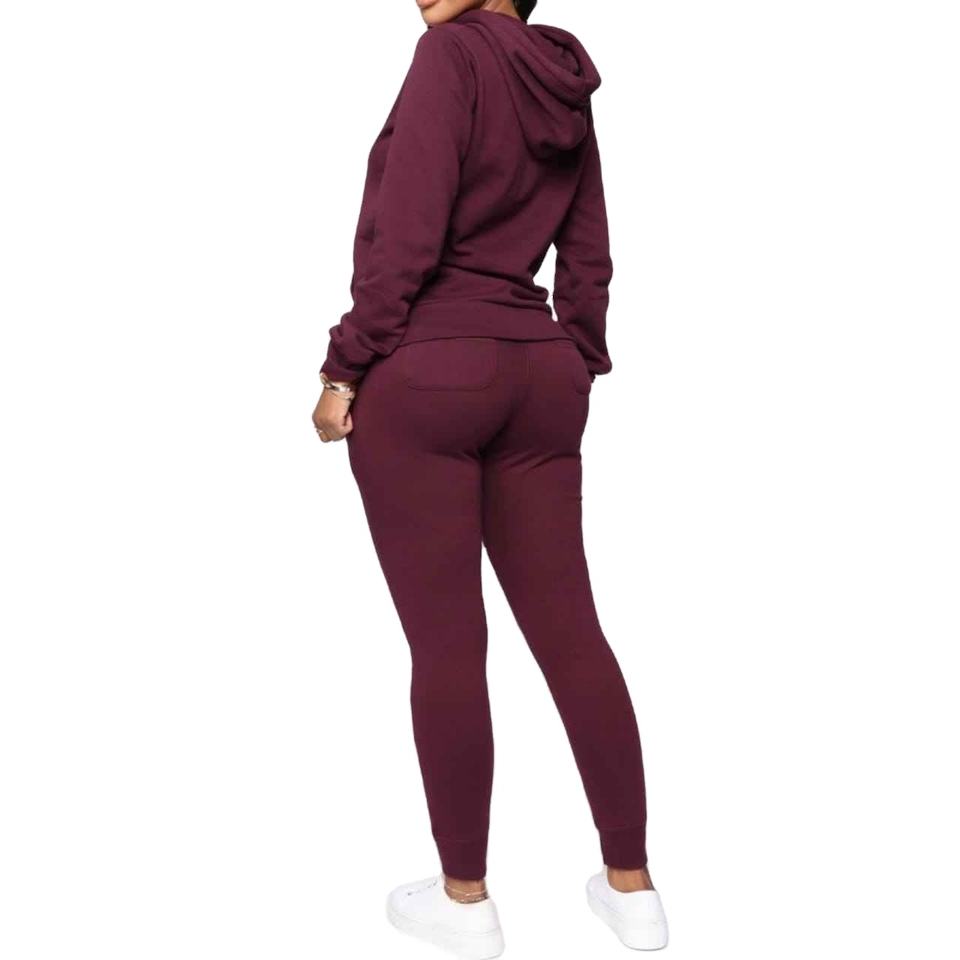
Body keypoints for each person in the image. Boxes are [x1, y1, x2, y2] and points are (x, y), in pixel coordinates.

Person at [311, 1, 669, 954]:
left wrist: (344, 368)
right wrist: (573, 358)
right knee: (573, 632)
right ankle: (632, 888)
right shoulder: (566, 82)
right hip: (538, 372)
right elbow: (588, 252)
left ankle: (464, 899)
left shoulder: (450, 56)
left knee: (448, 645)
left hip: (429, 371)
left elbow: (408, 233)